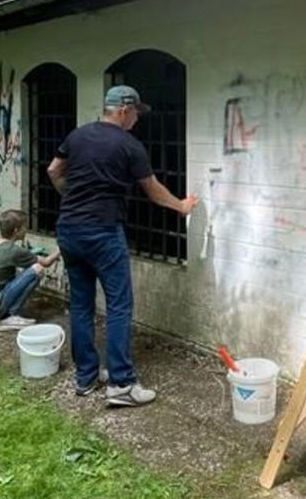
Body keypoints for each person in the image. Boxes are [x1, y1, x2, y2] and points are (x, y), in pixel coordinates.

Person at [48, 85, 198, 407]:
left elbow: (53, 170)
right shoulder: (129, 145)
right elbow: (153, 189)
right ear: (124, 109)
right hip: (102, 232)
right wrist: (182, 207)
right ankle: (122, 384)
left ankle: (86, 377)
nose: (137, 121)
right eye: (136, 114)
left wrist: (71, 197)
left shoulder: (77, 135)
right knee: (118, 305)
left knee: (81, 303)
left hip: (69, 230)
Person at [0, 208, 60, 330]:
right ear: (16, 231)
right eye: (24, 227)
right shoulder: (13, 251)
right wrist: (62, 247)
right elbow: (46, 262)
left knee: (19, 272)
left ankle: (2, 315)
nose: (26, 230)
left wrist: (29, 254)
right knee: (37, 269)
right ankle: (9, 316)